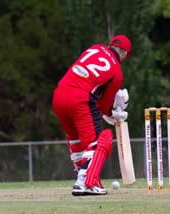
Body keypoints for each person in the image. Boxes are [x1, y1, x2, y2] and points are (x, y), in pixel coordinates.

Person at [52, 35, 131, 196]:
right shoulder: (117, 72)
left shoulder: (95, 48)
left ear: (110, 45)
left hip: (59, 94)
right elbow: (104, 105)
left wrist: (108, 111)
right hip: (80, 99)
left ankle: (84, 178)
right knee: (101, 141)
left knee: (76, 140)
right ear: (124, 53)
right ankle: (85, 182)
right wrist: (115, 113)